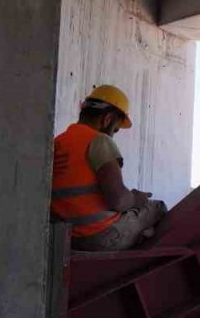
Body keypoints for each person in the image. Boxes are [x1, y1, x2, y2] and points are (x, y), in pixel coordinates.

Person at [50, 85, 166, 251]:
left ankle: (141, 234)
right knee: (157, 207)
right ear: (107, 119)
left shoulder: (58, 142)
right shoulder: (99, 141)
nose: (114, 133)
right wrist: (136, 198)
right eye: (116, 128)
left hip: (68, 237)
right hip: (101, 235)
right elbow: (118, 200)